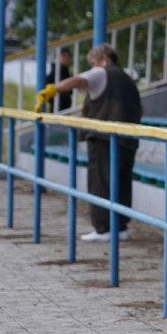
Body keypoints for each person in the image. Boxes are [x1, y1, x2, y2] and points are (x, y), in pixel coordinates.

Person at [36, 43, 143, 242]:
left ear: (104, 59)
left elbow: (78, 80)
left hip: (104, 138)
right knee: (122, 182)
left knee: (100, 182)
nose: (93, 67)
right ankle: (120, 227)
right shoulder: (127, 78)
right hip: (128, 139)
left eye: (94, 62)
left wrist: (53, 89)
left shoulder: (101, 72)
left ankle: (103, 228)